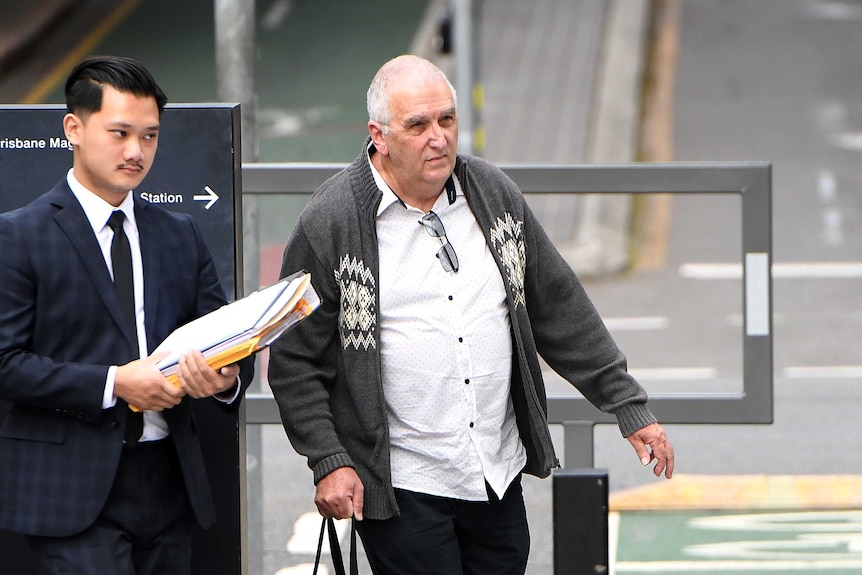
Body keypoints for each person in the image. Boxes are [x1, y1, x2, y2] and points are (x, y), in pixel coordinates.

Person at [267, 54, 674, 575]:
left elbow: (559, 305)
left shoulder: (492, 194)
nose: (438, 137)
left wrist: (626, 404)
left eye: (447, 120)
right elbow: (295, 361)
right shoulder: (332, 222)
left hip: (494, 472)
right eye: (418, 125)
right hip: (403, 482)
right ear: (379, 135)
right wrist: (330, 459)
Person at [0, 55, 253, 575]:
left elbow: (230, 338)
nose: (136, 151)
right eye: (119, 133)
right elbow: (5, 364)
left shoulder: (179, 234)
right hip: (70, 490)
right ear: (74, 127)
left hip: (171, 483)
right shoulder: (19, 236)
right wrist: (116, 383)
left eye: (150, 136)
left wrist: (225, 377)